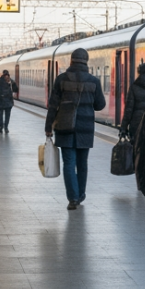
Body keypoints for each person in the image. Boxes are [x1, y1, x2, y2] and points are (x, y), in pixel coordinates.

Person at [44, 48, 106, 210]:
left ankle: (72, 198)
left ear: (71, 61)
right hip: (85, 128)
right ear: (86, 61)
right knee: (82, 163)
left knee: (69, 163)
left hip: (64, 127)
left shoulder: (61, 79)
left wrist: (48, 126)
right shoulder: (94, 81)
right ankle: (81, 194)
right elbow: (100, 105)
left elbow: (53, 106)